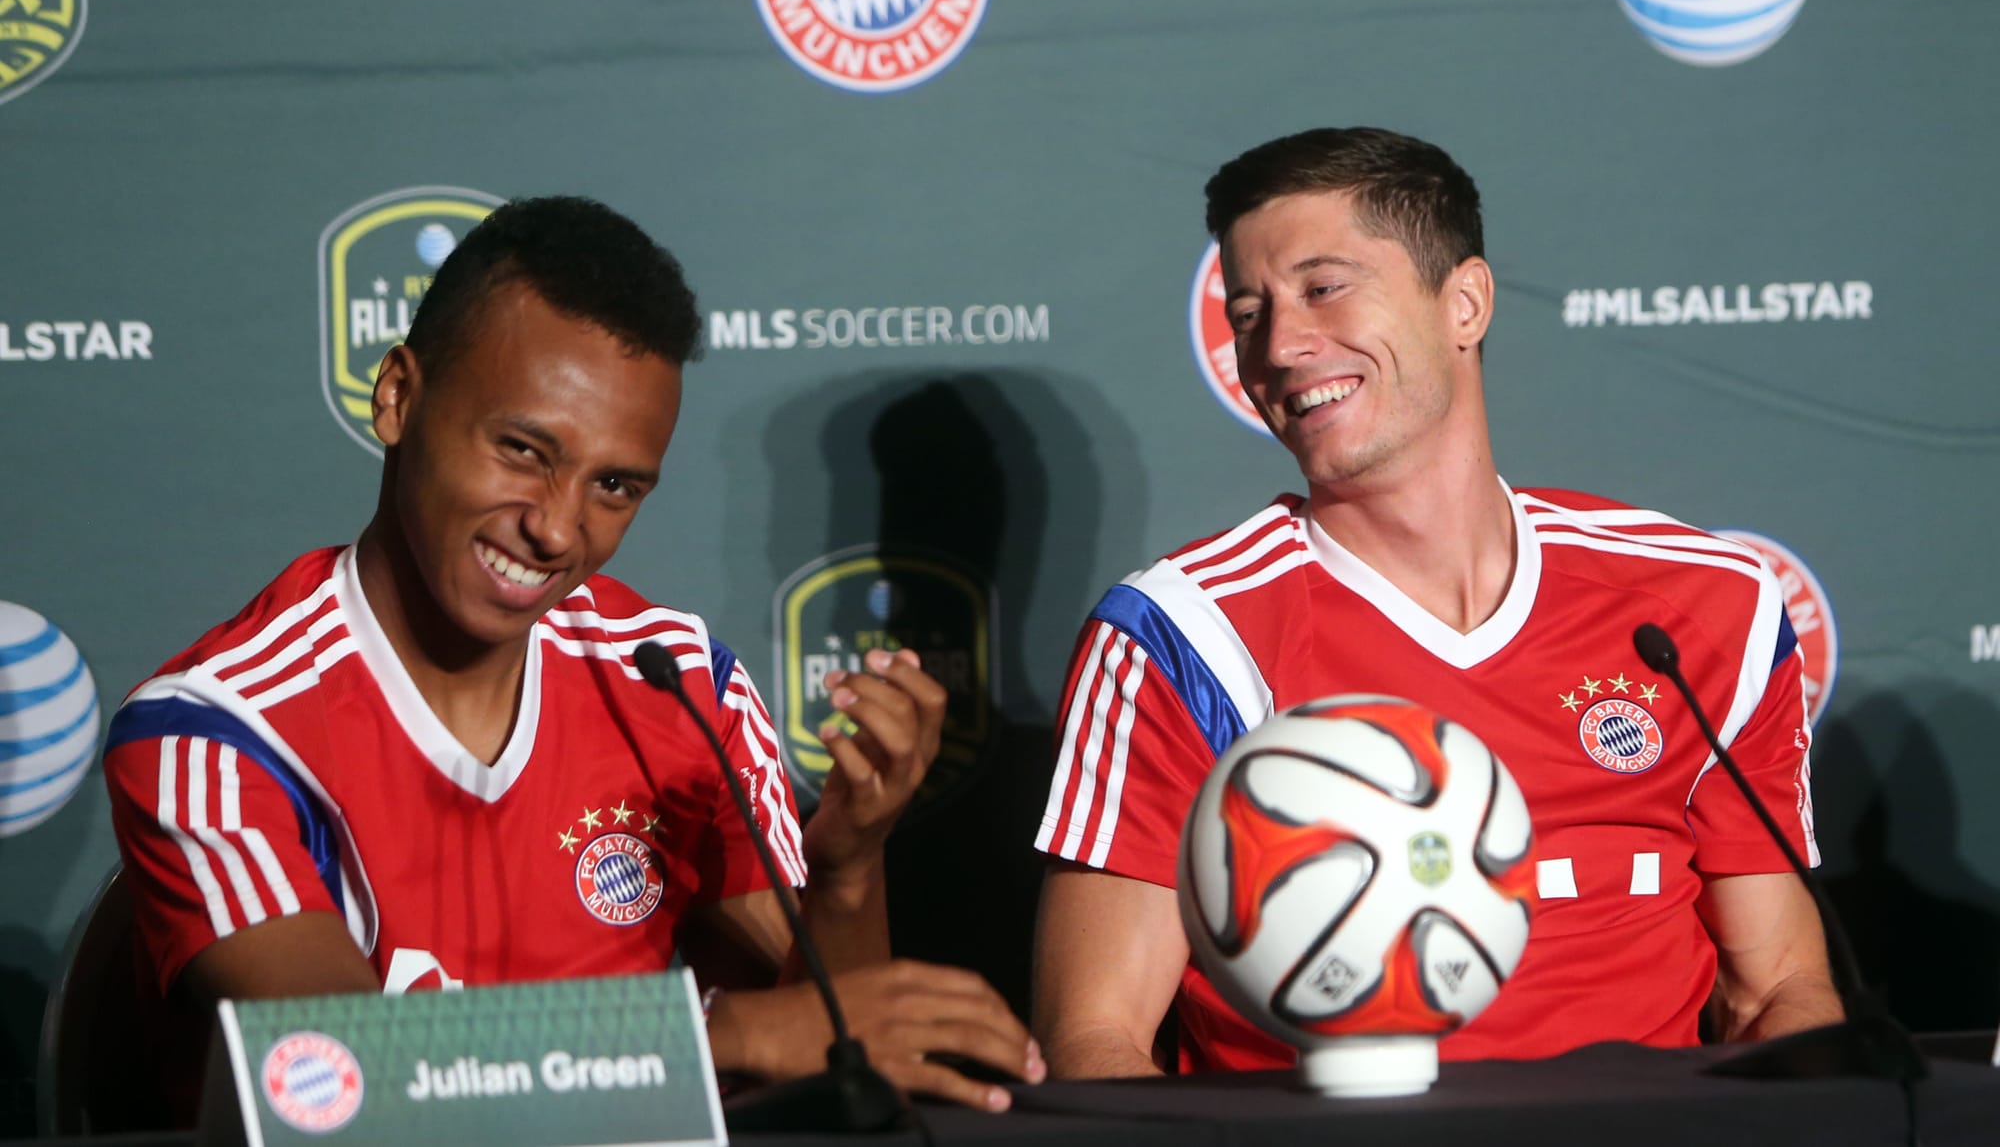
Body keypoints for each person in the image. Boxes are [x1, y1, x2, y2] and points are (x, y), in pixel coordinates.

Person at [103, 196, 1041, 1117]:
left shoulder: (681, 683)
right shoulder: (212, 732)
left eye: (615, 485)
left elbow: (836, 1073)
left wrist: (847, 870)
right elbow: (347, 1081)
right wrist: (724, 1034)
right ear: (397, 397)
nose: (557, 528)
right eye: (523, 450)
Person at [1029, 128, 1841, 1076]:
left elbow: (1777, 986)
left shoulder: (1704, 604)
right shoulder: (1184, 640)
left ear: (1465, 303)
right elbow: (1094, 1040)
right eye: (1249, 314)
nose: (1279, 347)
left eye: (1324, 289)